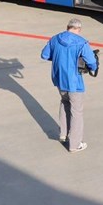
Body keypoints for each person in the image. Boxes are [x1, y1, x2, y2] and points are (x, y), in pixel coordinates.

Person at [40, 18, 97, 153]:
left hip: (59, 80)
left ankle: (63, 134)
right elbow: (92, 62)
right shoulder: (82, 42)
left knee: (65, 102)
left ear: (67, 27)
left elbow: (44, 55)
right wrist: (92, 67)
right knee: (76, 111)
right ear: (79, 29)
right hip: (74, 83)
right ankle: (74, 144)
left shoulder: (55, 39)